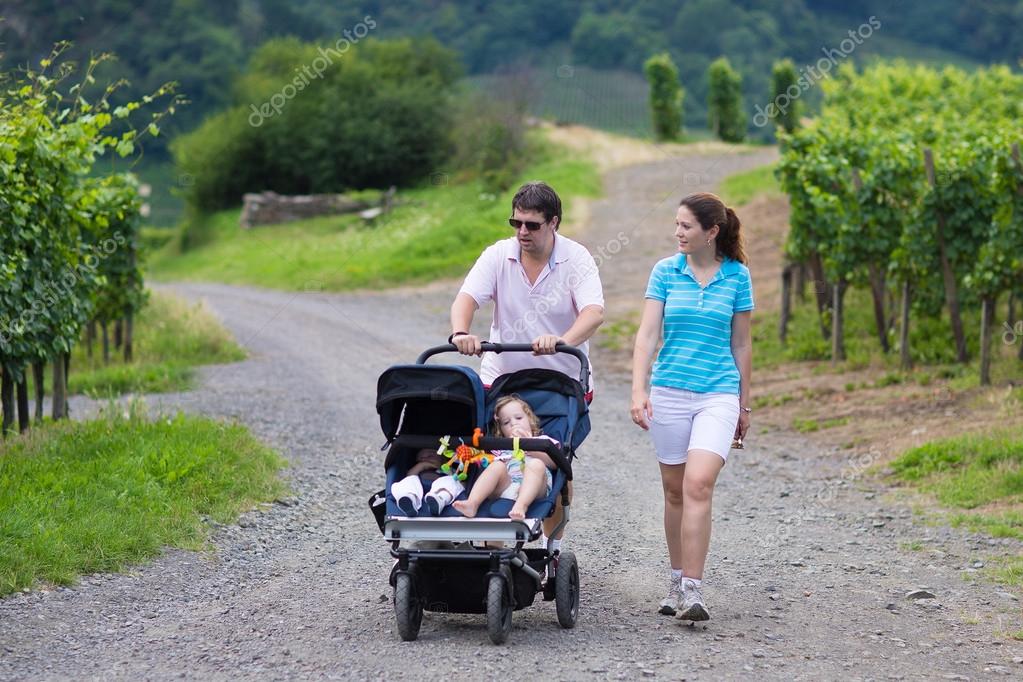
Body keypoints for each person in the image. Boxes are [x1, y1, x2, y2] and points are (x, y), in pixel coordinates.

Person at [450, 181, 604, 567]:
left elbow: (594, 312)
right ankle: (487, 534)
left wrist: (563, 340)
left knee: (555, 458)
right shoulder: (499, 255)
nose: (522, 232)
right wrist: (461, 332)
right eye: (516, 223)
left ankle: (550, 543)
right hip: (504, 377)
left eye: (532, 225)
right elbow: (467, 298)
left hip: (561, 379)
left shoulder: (576, 259)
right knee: (490, 454)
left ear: (553, 223)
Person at [630, 192, 754, 622]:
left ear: (711, 232)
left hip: (718, 392)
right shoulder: (665, 272)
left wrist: (744, 404)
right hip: (669, 391)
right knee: (674, 490)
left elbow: (741, 342)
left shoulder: (738, 277)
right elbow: (647, 336)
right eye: (676, 224)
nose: (677, 232)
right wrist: (637, 390)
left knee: (699, 483)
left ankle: (694, 591)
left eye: (685, 226)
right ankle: (675, 577)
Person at [452, 395, 557, 520]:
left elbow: (555, 463)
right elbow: (488, 463)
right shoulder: (501, 447)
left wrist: (528, 444)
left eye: (518, 418)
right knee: (496, 466)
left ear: (530, 419)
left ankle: (521, 506)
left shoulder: (542, 441)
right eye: (506, 422)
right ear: (501, 430)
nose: (513, 423)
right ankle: (473, 503)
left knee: (536, 465)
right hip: (506, 486)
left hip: (535, 488)